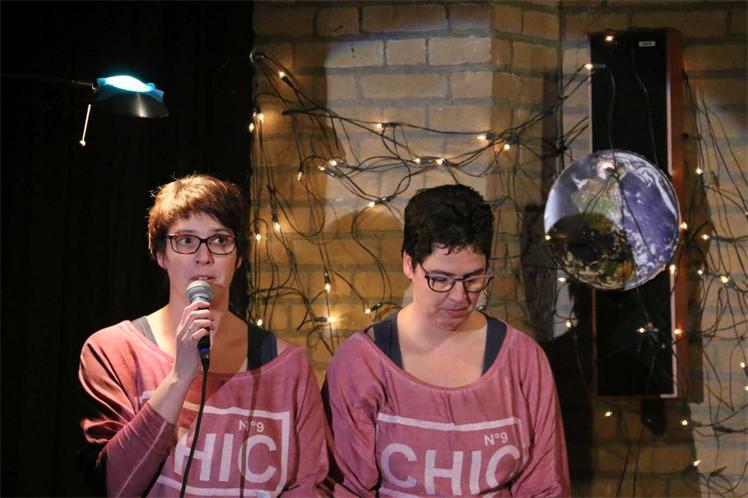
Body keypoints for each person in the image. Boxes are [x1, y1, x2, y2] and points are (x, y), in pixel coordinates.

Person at [78, 174, 328, 497]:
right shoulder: (113, 351)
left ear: (239, 257)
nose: (204, 257)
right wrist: (180, 376)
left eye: (220, 240)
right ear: (161, 255)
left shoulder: (288, 367)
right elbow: (116, 487)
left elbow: (309, 486)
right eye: (186, 241)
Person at [323, 184, 570, 497]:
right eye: (440, 279)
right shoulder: (362, 363)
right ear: (409, 263)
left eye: (473, 278)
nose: (458, 297)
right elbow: (346, 489)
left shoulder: (522, 359)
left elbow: (545, 486)